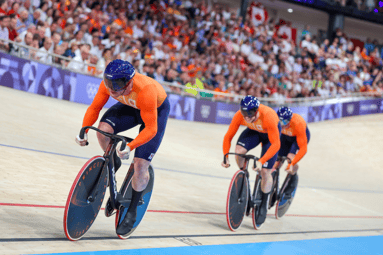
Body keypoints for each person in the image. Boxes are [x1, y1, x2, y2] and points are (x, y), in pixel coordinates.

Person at [75, 59, 170, 236]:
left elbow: (151, 128)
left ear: (129, 82)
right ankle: (114, 162)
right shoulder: (109, 84)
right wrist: (84, 129)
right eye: (109, 83)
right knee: (103, 131)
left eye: (117, 85)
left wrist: (131, 146)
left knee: (140, 165)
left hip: (154, 109)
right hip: (131, 106)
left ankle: (132, 210)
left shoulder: (146, 89)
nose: (112, 89)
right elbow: (95, 108)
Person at [221, 95, 281, 227]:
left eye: (250, 113)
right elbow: (228, 136)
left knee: (265, 171)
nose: (247, 116)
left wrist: (262, 160)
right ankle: (244, 176)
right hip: (254, 131)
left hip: (269, 137)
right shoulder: (239, 116)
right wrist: (225, 155)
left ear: (257, 110)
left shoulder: (269, 116)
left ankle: (264, 203)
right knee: (239, 151)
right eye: (244, 112)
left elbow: (276, 144)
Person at [275, 107, 310, 199]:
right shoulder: (275, 122)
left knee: (290, 158)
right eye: (280, 122)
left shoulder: (298, 123)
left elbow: (303, 149)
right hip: (285, 137)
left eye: (285, 122)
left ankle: (293, 178)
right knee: (276, 161)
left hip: (297, 139)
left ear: (290, 120)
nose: (283, 124)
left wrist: (292, 163)